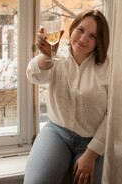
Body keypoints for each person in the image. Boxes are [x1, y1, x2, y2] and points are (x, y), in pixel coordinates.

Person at [24, 9, 110, 184]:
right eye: (81, 30)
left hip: (92, 140)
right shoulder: (57, 57)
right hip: (57, 132)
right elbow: (34, 76)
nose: (83, 39)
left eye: (93, 36)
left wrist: (91, 154)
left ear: (99, 41)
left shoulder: (108, 68)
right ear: (72, 29)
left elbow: (115, 114)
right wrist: (46, 56)